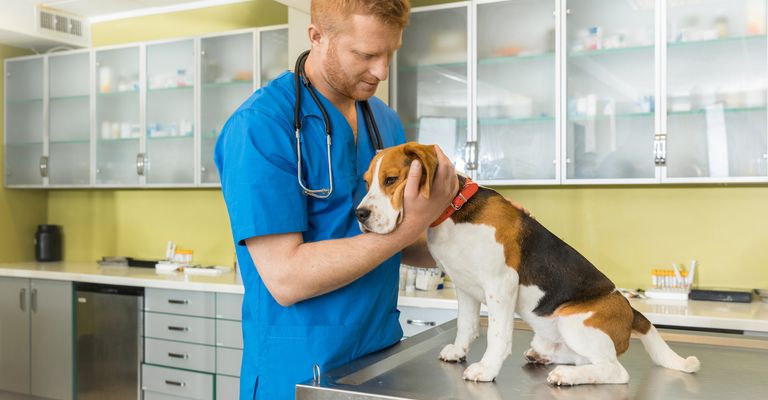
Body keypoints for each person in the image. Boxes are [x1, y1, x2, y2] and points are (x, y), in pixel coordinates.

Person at [214, 1, 458, 398]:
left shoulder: (384, 121)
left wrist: (477, 235)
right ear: (317, 37)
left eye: (389, 53)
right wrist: (413, 226)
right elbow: (285, 278)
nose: (381, 71)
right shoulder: (260, 125)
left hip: (378, 357)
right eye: (365, 55)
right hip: (298, 370)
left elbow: (395, 234)